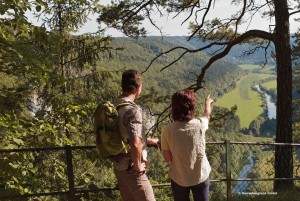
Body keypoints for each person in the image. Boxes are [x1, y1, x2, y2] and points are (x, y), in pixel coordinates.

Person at [112, 69, 159, 201]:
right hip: (132, 170)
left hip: (119, 167)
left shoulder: (115, 105)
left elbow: (124, 135)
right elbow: (134, 142)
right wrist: (138, 166)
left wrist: (148, 141)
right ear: (138, 88)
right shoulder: (132, 110)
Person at [161, 89, 214, 201]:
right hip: (200, 175)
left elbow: (167, 158)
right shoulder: (200, 124)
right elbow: (207, 115)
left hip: (179, 177)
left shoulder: (167, 130)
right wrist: (208, 103)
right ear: (192, 106)